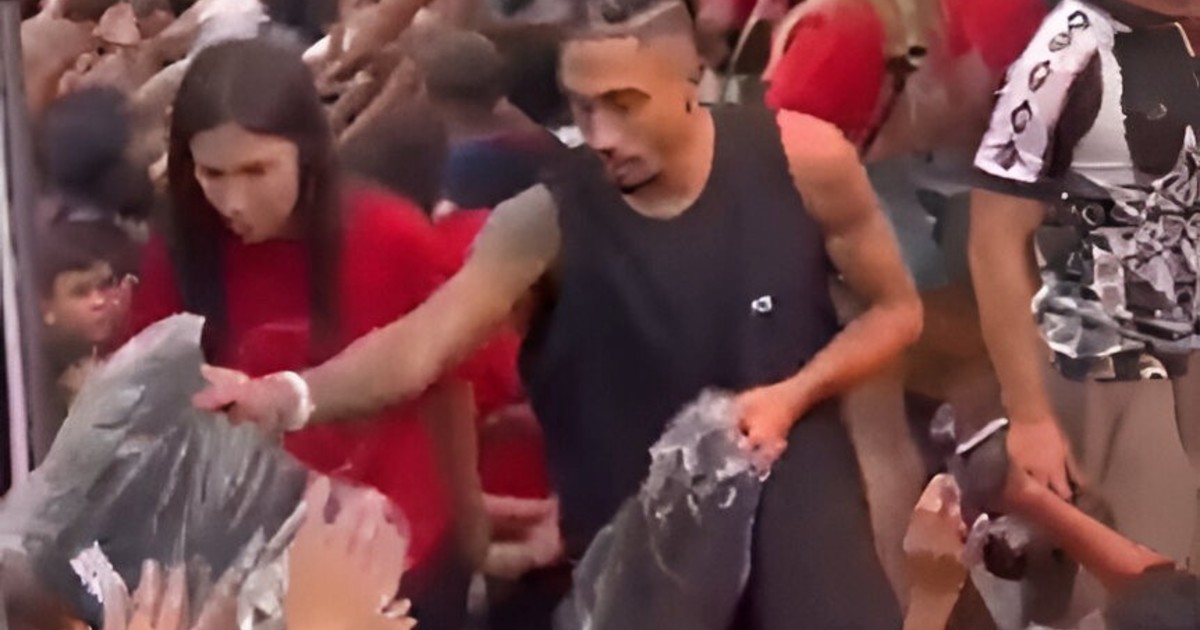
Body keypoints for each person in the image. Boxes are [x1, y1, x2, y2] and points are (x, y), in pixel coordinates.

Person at [196, 0, 923, 627]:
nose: (600, 133)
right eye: (582, 107)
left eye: (624, 104)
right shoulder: (545, 220)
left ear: (691, 78)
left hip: (802, 535)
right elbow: (423, 344)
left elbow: (895, 313)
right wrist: (287, 397)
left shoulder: (804, 162)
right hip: (645, 562)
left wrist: (793, 396)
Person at [129, 38, 476, 630]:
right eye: (212, 173)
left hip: (406, 560)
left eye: (257, 170)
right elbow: (151, 414)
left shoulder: (392, 236)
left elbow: (448, 388)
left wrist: (472, 531)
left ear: (307, 155)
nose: (233, 199)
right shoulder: (178, 256)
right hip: (262, 576)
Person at [969, 0, 1200, 577]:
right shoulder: (1065, 53)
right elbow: (994, 241)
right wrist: (1029, 415)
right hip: (1104, 366)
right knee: (1132, 573)